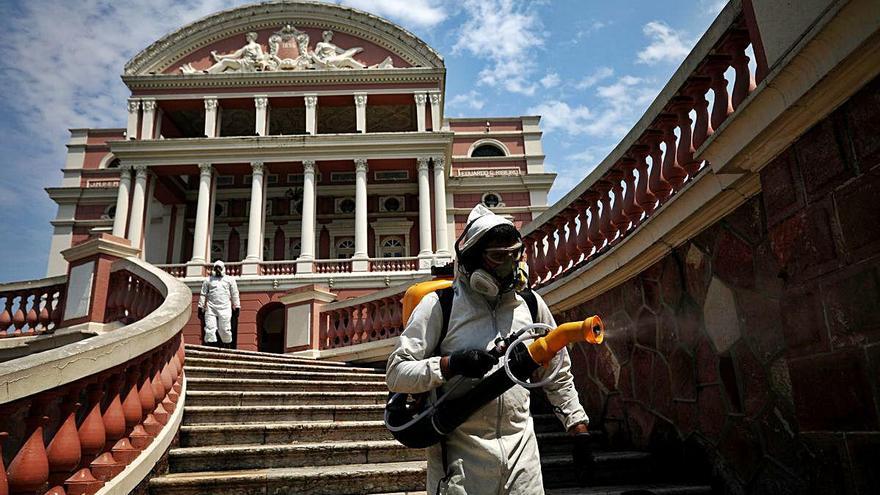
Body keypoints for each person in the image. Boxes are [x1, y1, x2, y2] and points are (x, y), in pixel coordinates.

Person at [386, 204, 589, 495]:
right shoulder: (440, 306)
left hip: (523, 455)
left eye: (514, 255)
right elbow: (396, 374)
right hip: (461, 461)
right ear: (472, 258)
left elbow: (558, 372)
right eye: (498, 257)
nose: (509, 266)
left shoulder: (530, 305)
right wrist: (449, 364)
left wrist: (577, 427)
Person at [198, 260, 240, 348]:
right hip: (211, 307)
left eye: (219, 268)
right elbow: (203, 294)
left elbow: (234, 294)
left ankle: (227, 347)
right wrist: (200, 306)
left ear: (223, 268)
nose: (217, 270)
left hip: (225, 307)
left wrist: (237, 306)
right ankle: (211, 348)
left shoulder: (230, 280)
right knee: (210, 328)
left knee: (225, 329)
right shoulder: (208, 280)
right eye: (216, 268)